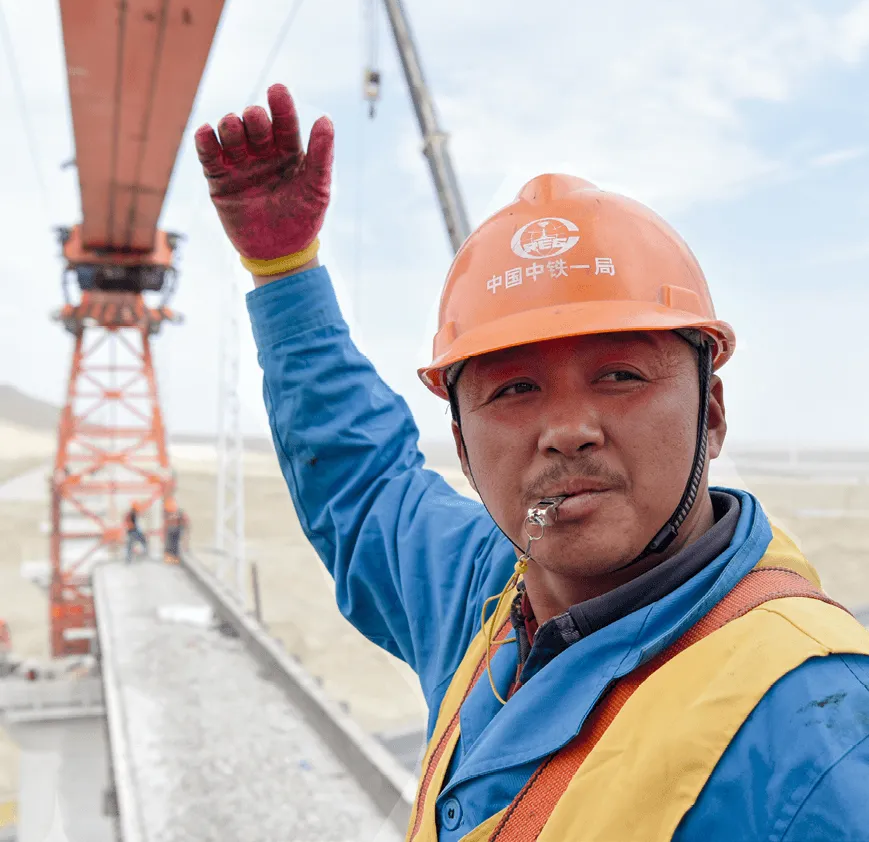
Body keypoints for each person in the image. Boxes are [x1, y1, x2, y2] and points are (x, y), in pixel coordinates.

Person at [195, 84, 869, 841]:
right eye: (514, 389)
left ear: (709, 413)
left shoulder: (816, 730)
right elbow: (363, 483)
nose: (567, 431)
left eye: (620, 376)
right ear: (461, 445)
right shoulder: (490, 598)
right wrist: (285, 273)